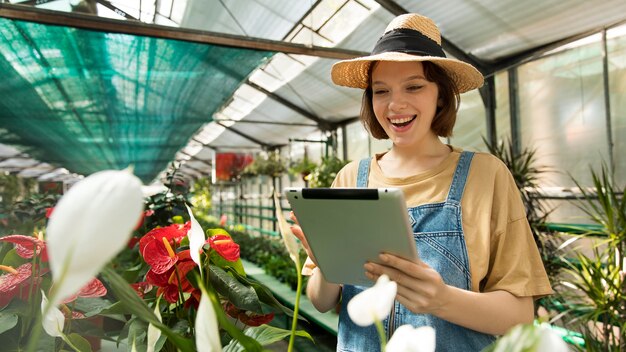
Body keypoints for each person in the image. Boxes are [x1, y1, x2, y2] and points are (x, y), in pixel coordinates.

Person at [290, 13, 553, 352]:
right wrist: (328, 264)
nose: (395, 104)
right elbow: (322, 301)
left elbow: (520, 315)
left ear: (441, 96)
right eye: (380, 91)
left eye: (413, 86)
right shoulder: (351, 177)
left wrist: (441, 299)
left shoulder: (486, 176)